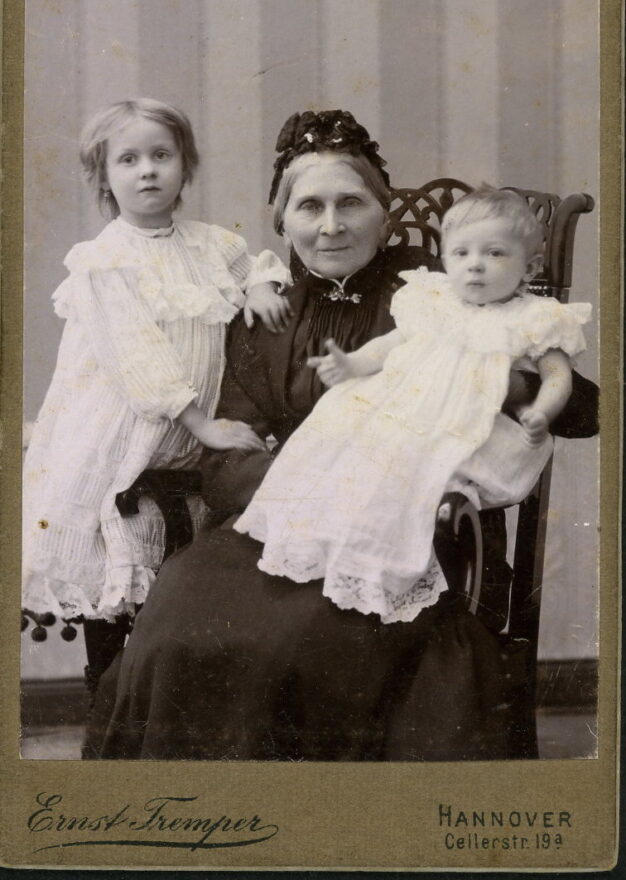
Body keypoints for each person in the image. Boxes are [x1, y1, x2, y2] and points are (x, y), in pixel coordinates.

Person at [85, 110, 598, 761]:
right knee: (178, 631)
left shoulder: (440, 291)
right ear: (283, 220)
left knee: (293, 643)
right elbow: (225, 464)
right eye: (310, 206)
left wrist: (503, 383)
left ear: (383, 212)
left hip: (411, 533)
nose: (331, 225)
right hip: (274, 524)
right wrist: (313, 481)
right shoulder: (264, 316)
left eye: (351, 203)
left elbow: (585, 410)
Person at [22, 98, 291, 689]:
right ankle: (107, 706)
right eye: (128, 159)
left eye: (161, 155)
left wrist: (262, 286)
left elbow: (258, 264)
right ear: (104, 176)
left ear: (184, 166)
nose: (147, 170)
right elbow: (138, 358)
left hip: (184, 449)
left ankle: (167, 709)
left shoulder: (211, 245)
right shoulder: (103, 262)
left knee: (180, 598)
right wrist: (202, 424)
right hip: (120, 443)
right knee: (120, 587)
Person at [236, 186, 591, 623]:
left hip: (469, 426)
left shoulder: (535, 316)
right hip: (406, 417)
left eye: (495, 253)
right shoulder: (434, 301)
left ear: (530, 268)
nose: (475, 264)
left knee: (421, 476)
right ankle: (338, 549)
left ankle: (394, 564)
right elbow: (389, 345)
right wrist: (352, 363)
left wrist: (542, 410)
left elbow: (558, 376)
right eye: (461, 253)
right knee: (350, 447)